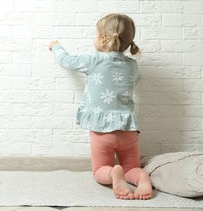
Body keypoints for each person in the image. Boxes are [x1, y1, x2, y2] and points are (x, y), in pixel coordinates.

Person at [49, 13, 152, 200]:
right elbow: (136, 80)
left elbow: (67, 61)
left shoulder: (94, 60)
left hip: (102, 130)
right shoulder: (132, 65)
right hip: (128, 129)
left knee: (99, 171)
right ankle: (141, 177)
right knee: (132, 169)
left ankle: (113, 174)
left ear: (104, 39)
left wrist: (56, 47)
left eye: (96, 34)